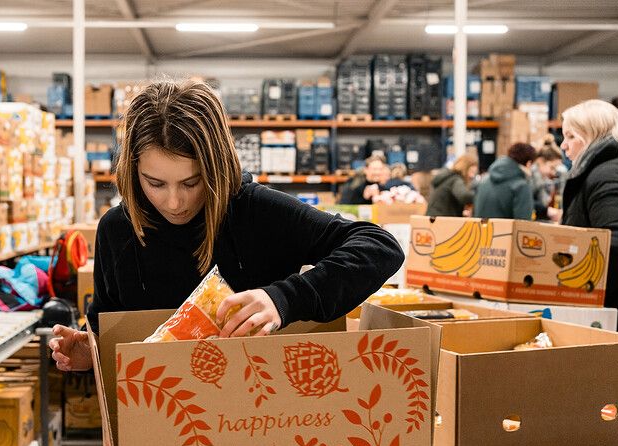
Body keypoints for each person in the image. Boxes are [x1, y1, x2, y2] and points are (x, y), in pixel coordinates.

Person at [50, 79, 405, 372]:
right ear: (132, 171)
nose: (174, 202)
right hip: (158, 423)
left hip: (258, 418)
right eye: (155, 183)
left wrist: (283, 299)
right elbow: (106, 329)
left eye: (191, 183)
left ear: (216, 167)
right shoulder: (118, 229)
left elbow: (379, 247)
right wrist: (85, 354)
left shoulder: (256, 211)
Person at [560, 99, 618, 339]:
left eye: (570, 136)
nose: (564, 146)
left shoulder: (608, 175)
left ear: (591, 134)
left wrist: (586, 293)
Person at [473, 143, 535, 219]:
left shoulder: (484, 180)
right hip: (505, 231)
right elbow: (523, 224)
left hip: (481, 230)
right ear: (529, 163)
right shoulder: (521, 186)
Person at [338, 154, 406, 204]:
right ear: (366, 170)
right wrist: (365, 198)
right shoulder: (355, 186)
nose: (377, 172)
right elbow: (347, 206)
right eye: (374, 169)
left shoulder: (386, 186)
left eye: (380, 169)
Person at [531, 135, 565, 222]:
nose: (553, 173)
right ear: (541, 161)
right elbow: (527, 201)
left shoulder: (543, 178)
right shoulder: (531, 178)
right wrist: (548, 211)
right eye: (552, 167)